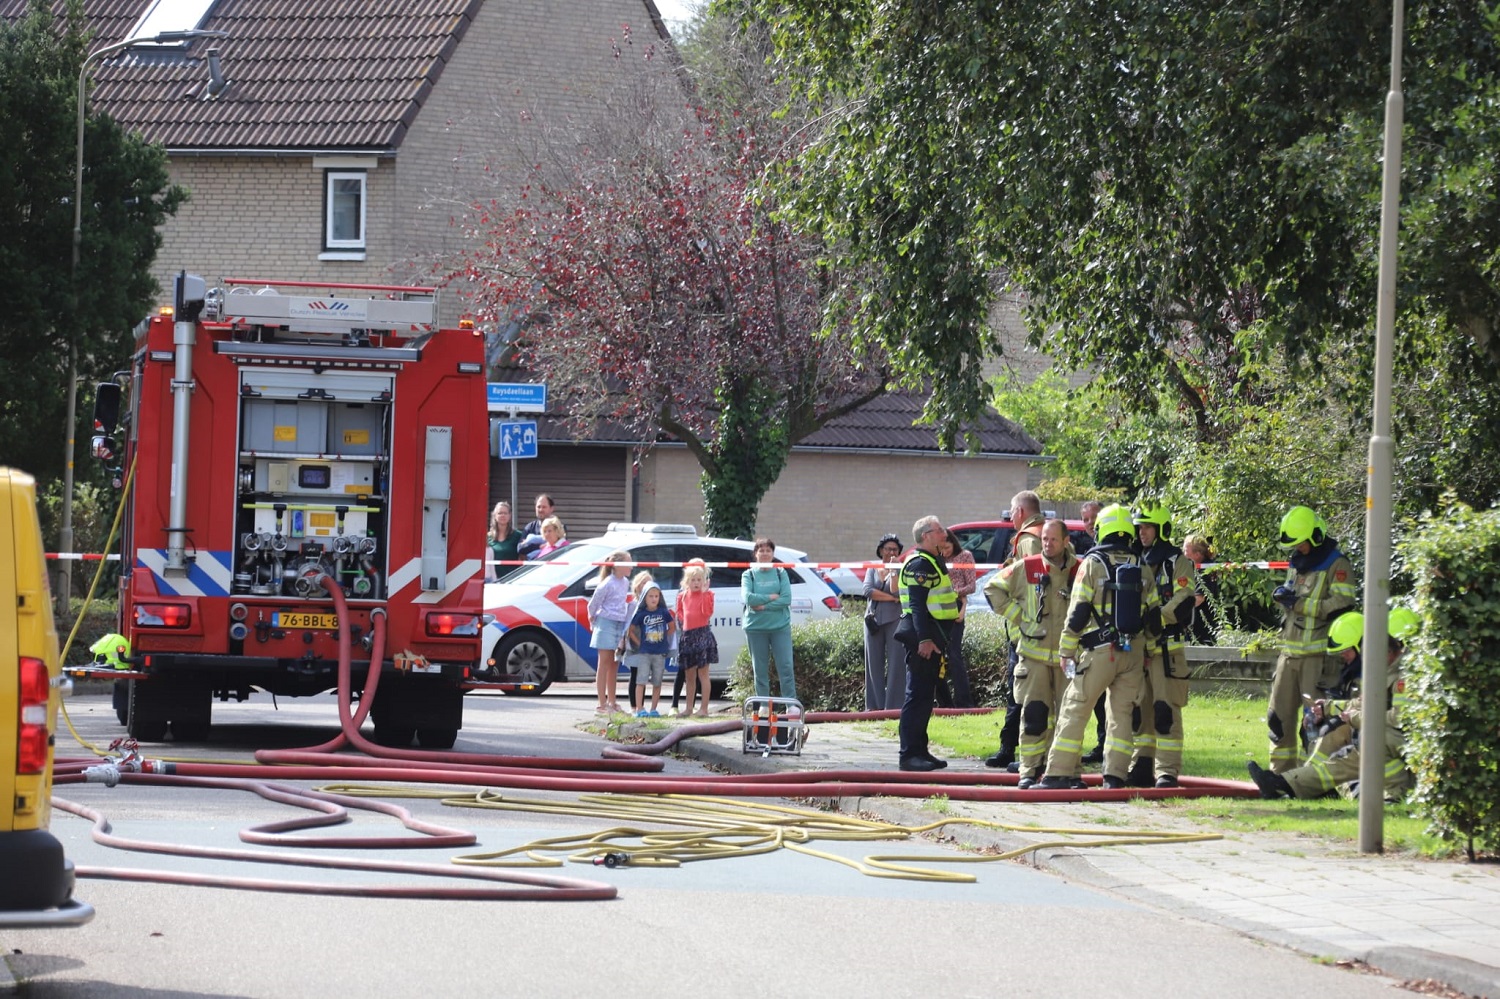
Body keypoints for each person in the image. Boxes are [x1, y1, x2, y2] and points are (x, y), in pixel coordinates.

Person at [1034, 504, 1162, 790]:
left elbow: (1078, 612)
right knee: (1122, 715)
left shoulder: (1092, 564)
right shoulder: (1141, 564)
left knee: (1075, 707)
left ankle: (1058, 774)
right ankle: (1115, 777)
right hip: (1135, 653)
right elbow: (1154, 615)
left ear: (1102, 530)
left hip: (1101, 651)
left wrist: (1066, 650)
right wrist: (1149, 652)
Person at [1247, 608, 1416, 801]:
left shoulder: (1403, 677)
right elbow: (1363, 702)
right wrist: (1327, 707)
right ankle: (1285, 784)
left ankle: (1394, 793)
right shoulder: (1387, 672)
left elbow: (1399, 717)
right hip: (1386, 740)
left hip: (1396, 741)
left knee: (1369, 741)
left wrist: (1354, 718)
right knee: (1341, 759)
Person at [982, 518, 1080, 787]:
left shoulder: (1080, 570)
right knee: (1035, 717)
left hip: (1067, 659)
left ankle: (1066, 772)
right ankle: (1029, 771)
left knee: (1069, 719)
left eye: (1053, 540)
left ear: (1066, 541)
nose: (1047, 544)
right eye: (1044, 539)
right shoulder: (1027, 566)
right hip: (1034, 658)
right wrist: (1021, 619)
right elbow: (992, 589)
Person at [1266, 505, 1357, 773]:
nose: (1298, 549)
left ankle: (1312, 778)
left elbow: (1342, 603)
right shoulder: (1297, 562)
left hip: (1317, 659)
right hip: (1288, 654)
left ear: (1315, 536)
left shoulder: (1337, 564)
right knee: (1277, 719)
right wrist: (1284, 596)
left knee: (1314, 722)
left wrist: (1300, 604)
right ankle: (1279, 776)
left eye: (1301, 543)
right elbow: (1294, 598)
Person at [1127, 503, 1198, 789]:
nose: (1141, 532)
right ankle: (1141, 764)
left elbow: (1184, 597)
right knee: (1138, 711)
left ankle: (1166, 771)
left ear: (1160, 529)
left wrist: (1156, 616)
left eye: (1147, 526)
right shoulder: (1134, 559)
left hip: (1167, 650)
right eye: (1139, 527)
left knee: (1165, 710)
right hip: (1138, 648)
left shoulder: (1177, 561)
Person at [987, 490, 1047, 768]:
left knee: (1019, 691)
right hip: (1045, 628)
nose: (1010, 516)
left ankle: (1010, 750)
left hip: (1027, 631)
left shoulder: (1028, 539)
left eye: (1011, 511)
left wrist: (1021, 619)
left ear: (1021, 511)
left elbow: (1033, 583)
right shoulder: (1048, 533)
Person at [895, 515, 959, 772]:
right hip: (925, 640)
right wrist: (924, 639)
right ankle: (909, 755)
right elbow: (918, 607)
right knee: (917, 697)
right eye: (939, 530)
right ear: (926, 536)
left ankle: (920, 751)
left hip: (934, 638)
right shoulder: (920, 563)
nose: (945, 534)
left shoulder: (933, 560)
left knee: (924, 698)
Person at [741, 537, 796, 702]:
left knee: (785, 667)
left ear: (773, 554)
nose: (765, 554)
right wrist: (771, 597)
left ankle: (790, 704)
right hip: (755, 628)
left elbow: (786, 599)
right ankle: (763, 704)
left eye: (768, 550)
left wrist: (764, 606)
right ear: (756, 554)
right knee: (760, 669)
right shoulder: (748, 574)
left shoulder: (781, 573)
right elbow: (748, 598)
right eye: (761, 550)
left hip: (780, 627)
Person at [863, 533, 906, 710]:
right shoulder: (872, 568)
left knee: (897, 663)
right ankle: (874, 707)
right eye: (888, 549)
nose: (891, 552)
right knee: (873, 664)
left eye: (895, 550)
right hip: (872, 620)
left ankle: (894, 706)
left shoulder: (901, 569)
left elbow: (898, 592)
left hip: (894, 619)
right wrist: (891, 598)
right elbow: (867, 590)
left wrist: (894, 572)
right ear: (881, 551)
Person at [586, 551, 632, 713]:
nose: (631, 566)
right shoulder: (607, 583)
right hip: (606, 624)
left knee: (614, 664)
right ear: (617, 565)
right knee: (604, 663)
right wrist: (592, 617)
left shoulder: (625, 582)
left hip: (619, 624)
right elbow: (594, 603)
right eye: (628, 562)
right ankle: (601, 703)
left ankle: (612, 701)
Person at [935, 528, 976, 708]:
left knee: (954, 654)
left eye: (948, 546)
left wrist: (954, 594)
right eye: (942, 548)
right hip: (937, 607)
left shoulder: (965, 556)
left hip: (955, 604)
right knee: (937, 655)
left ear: (953, 542)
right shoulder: (936, 559)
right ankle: (943, 701)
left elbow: (972, 585)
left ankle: (963, 702)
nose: (946, 551)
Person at [674, 559, 717, 717]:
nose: (696, 583)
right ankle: (688, 708)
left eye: (699, 579)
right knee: (689, 675)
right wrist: (683, 624)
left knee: (703, 674)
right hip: (687, 636)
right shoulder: (682, 596)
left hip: (702, 634)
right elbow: (679, 613)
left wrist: (705, 593)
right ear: (687, 581)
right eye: (693, 580)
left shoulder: (708, 595)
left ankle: (704, 708)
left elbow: (707, 613)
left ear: (704, 580)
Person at [628, 580, 675, 717]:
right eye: (650, 596)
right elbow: (630, 630)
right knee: (640, 681)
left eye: (656, 596)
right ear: (644, 598)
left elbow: (672, 627)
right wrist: (639, 642)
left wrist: (664, 638)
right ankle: (639, 709)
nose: (654, 599)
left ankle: (654, 709)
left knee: (657, 682)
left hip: (659, 653)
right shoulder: (641, 614)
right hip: (644, 653)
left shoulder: (664, 612)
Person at [1182, 534, 1220, 644]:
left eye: (1185, 551)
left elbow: (1198, 598)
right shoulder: (1194, 568)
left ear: (1197, 555)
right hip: (1194, 626)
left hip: (1203, 630)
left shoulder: (1206, 569)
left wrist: (1178, 610)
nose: (1183, 554)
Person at [486, 501, 525, 581]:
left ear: (510, 515)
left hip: (512, 580)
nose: (502, 515)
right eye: (500, 513)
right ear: (495, 516)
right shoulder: (487, 537)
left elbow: (523, 558)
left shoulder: (518, 535)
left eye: (505, 513)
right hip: (492, 580)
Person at [516, 494, 556, 559]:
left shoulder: (558, 527)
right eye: (538, 507)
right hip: (534, 567)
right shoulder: (530, 527)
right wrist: (539, 546)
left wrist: (530, 541)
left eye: (544, 507)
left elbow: (558, 546)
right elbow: (520, 548)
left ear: (551, 509)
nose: (540, 510)